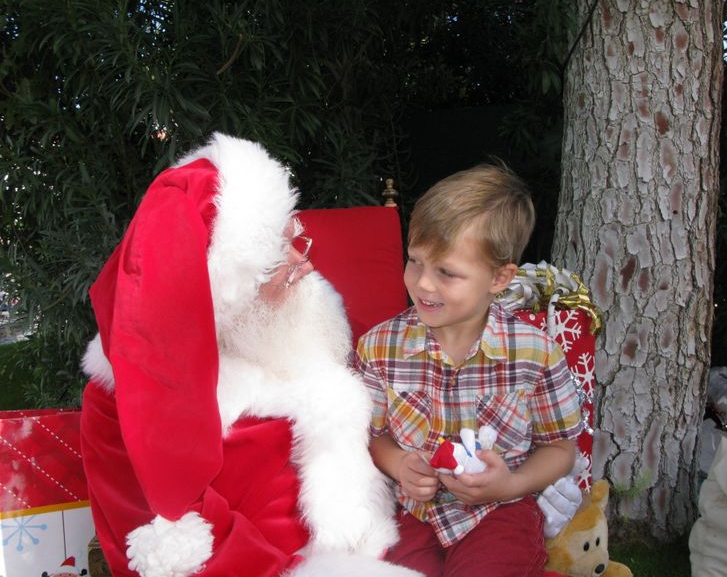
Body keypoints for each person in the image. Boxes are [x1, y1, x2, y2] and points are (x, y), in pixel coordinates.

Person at [79, 133, 420, 577]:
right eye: (282, 255)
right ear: (224, 292)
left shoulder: (294, 344)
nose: (307, 264)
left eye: (298, 241)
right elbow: (196, 560)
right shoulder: (119, 406)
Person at [355, 163, 583, 576]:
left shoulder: (536, 354)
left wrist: (510, 484)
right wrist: (400, 465)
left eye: (446, 272)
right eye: (415, 261)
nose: (423, 284)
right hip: (410, 515)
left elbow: (562, 449)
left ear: (499, 277)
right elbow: (373, 437)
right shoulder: (379, 347)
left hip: (499, 514)